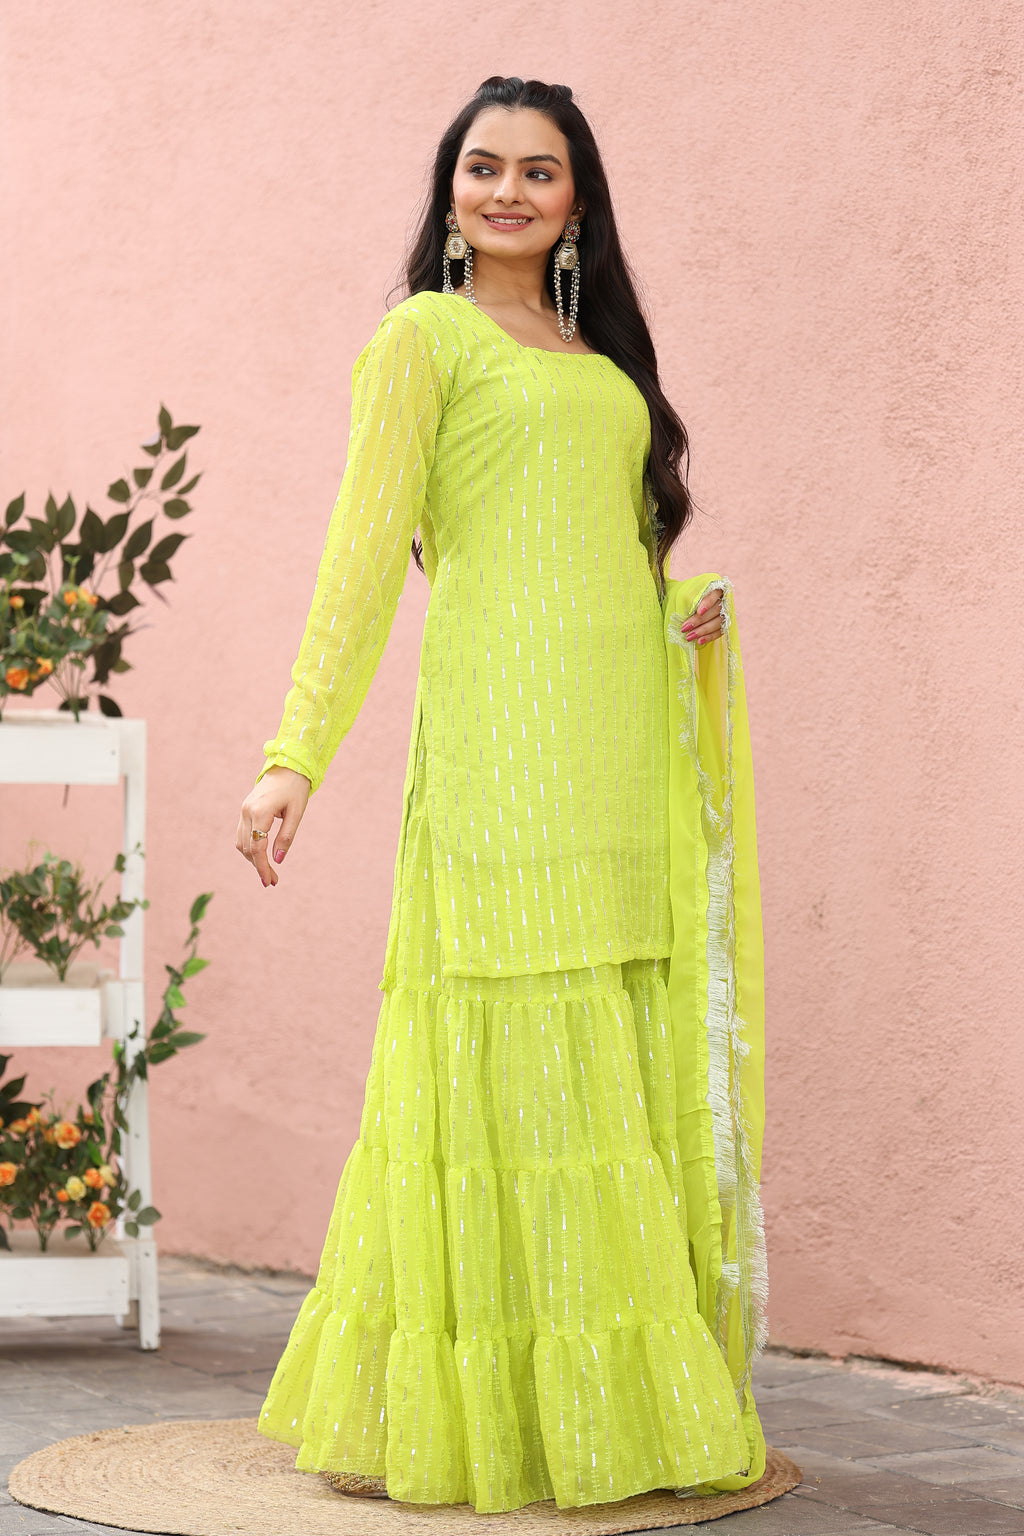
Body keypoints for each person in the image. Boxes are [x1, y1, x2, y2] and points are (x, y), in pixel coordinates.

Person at [235, 74, 768, 1515]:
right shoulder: (423, 339)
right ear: (450, 189)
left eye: (540, 171)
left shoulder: (601, 359)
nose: (509, 192)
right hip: (501, 755)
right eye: (484, 167)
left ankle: (601, 1420)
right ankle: (486, 1422)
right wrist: (295, 755)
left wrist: (675, 614)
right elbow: (363, 557)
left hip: (616, 755)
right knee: (510, 1053)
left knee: (604, 1054)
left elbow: (609, 553)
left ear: (578, 200)